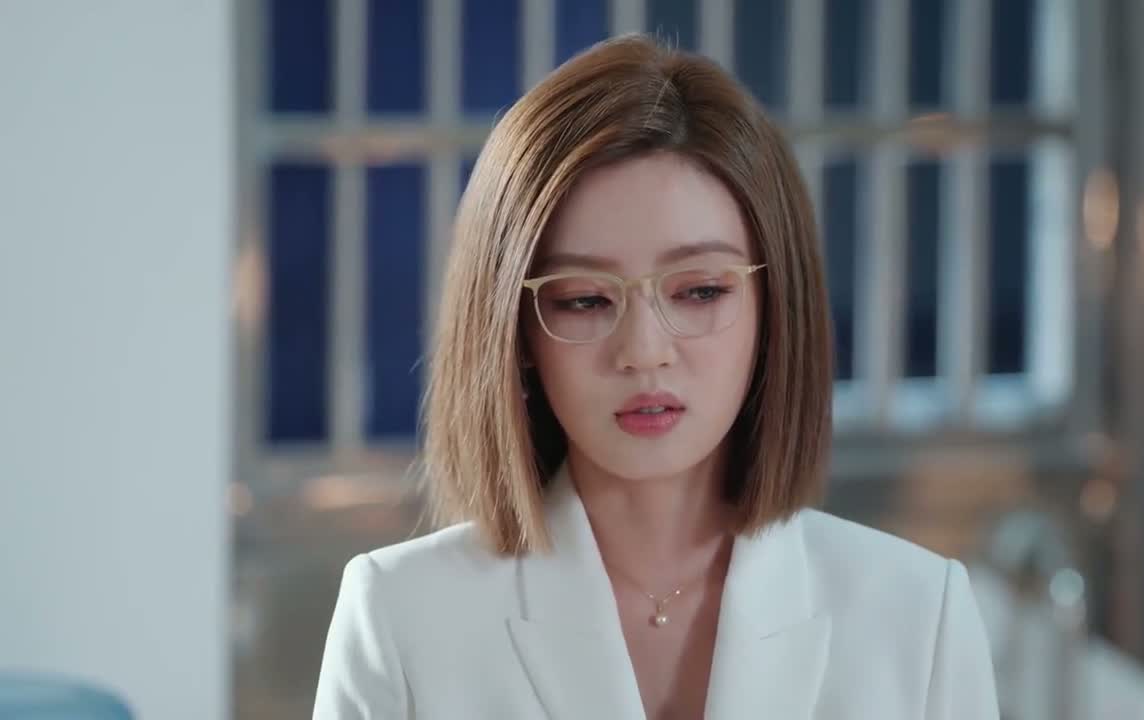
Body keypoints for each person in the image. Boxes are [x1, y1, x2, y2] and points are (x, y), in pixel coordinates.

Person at [313, 33, 999, 720]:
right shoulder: (400, 617)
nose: (644, 351)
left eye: (700, 290)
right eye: (584, 299)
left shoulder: (917, 616)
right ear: (515, 330)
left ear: (774, 307)